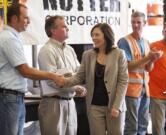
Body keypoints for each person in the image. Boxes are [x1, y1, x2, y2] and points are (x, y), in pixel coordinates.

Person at [0, 4, 63, 135]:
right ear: (14, 18)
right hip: (9, 98)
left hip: (14, 98)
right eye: (26, 18)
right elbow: (25, 70)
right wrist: (53, 76)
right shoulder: (8, 39)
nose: (28, 21)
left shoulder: (13, 38)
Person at [62, 23, 129, 135]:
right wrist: (63, 81)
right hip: (94, 107)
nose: (94, 38)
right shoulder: (87, 55)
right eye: (92, 35)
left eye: (97, 35)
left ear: (106, 35)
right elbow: (79, 76)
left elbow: (123, 81)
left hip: (114, 105)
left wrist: (116, 106)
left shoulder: (119, 54)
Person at [38, 15, 86, 135]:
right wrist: (75, 87)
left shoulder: (70, 50)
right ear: (53, 30)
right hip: (53, 104)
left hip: (70, 102)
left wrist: (74, 80)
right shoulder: (47, 50)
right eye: (64, 26)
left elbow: (79, 73)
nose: (68, 28)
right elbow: (52, 80)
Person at [118, 11, 162, 135]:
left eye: (138, 22)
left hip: (145, 89)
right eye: (133, 22)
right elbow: (127, 66)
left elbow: (149, 69)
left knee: (143, 125)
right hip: (130, 90)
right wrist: (148, 58)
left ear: (145, 23)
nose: (135, 25)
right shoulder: (124, 41)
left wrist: (153, 59)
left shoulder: (147, 42)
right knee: (131, 127)